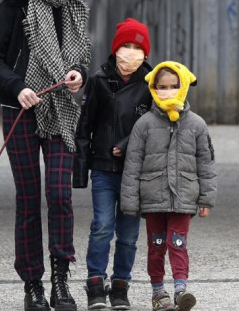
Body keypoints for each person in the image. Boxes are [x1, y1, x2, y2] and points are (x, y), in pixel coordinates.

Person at [0, 0, 91, 311]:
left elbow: (80, 60)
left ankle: (61, 281)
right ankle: (33, 285)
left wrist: (77, 74)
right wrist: (18, 87)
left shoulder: (75, 10)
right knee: (28, 199)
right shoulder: (16, 1)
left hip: (61, 110)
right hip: (20, 111)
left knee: (59, 195)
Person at [120, 61, 217, 311]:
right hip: (153, 198)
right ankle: (157, 292)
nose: (168, 91)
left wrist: (206, 199)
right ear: (153, 88)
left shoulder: (196, 124)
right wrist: (130, 202)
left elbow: (205, 162)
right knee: (157, 246)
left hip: (183, 197)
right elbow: (132, 164)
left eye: (174, 86)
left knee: (178, 243)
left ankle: (180, 290)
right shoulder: (144, 124)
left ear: (183, 87)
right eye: (162, 87)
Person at [73, 18, 153, 310]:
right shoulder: (98, 80)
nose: (130, 53)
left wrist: (128, 145)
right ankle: (96, 282)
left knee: (129, 234)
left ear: (145, 52)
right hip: (104, 168)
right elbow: (85, 127)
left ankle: (121, 285)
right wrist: (81, 171)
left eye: (136, 47)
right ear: (115, 48)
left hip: (136, 171)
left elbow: (155, 126)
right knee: (103, 226)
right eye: (125, 46)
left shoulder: (151, 82)